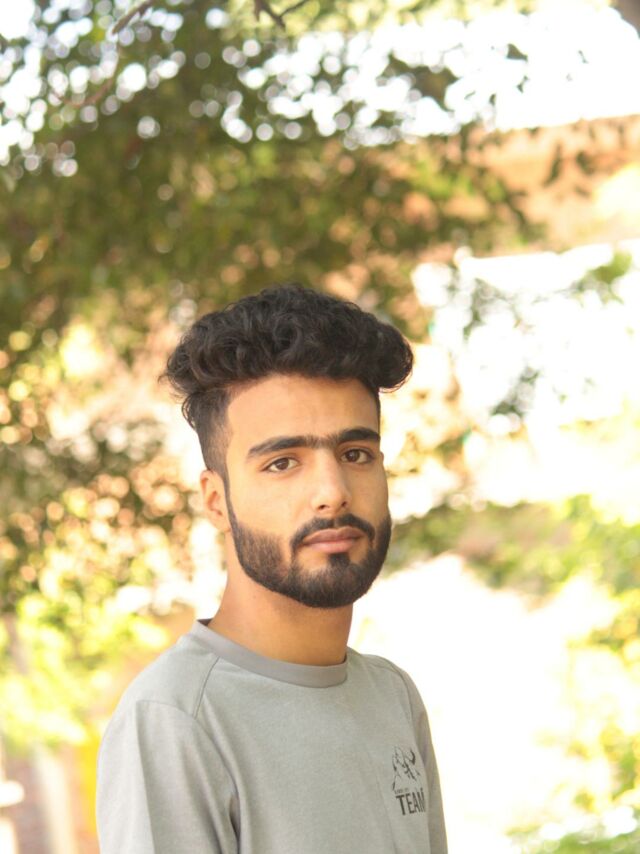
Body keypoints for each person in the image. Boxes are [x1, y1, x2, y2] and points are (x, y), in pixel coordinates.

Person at [96, 284, 448, 853]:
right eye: (283, 463)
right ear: (216, 501)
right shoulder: (175, 718)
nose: (332, 492)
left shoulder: (392, 696)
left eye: (355, 454)